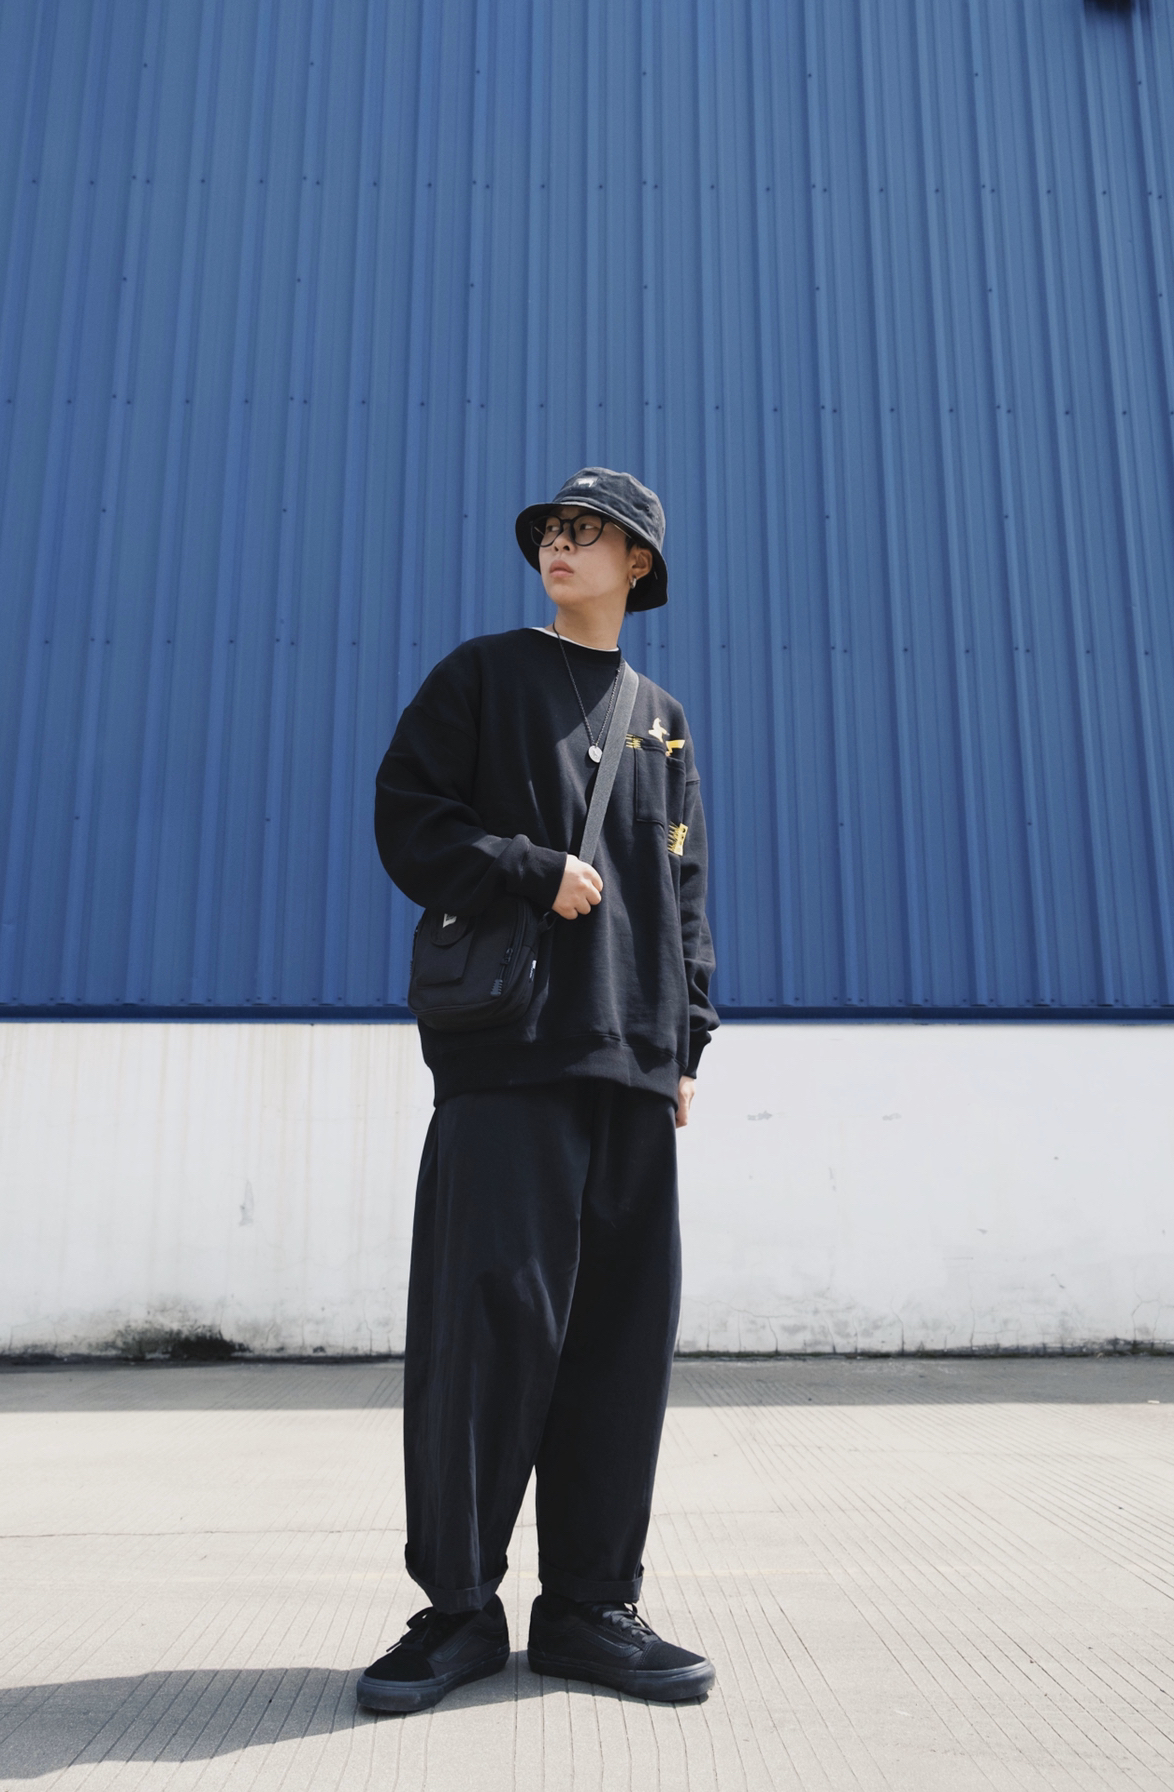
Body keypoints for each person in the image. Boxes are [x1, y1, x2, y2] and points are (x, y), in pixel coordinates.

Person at [359, 468, 718, 1714]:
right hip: (508, 1053)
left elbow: (684, 894)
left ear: (636, 564)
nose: (559, 548)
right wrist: (526, 866)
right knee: (484, 1335)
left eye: (587, 534)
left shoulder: (662, 720)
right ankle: (458, 1608)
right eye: (551, 532)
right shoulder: (482, 675)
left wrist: (687, 1043)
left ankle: (588, 1607)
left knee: (618, 1345)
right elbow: (408, 818)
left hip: (631, 1063)